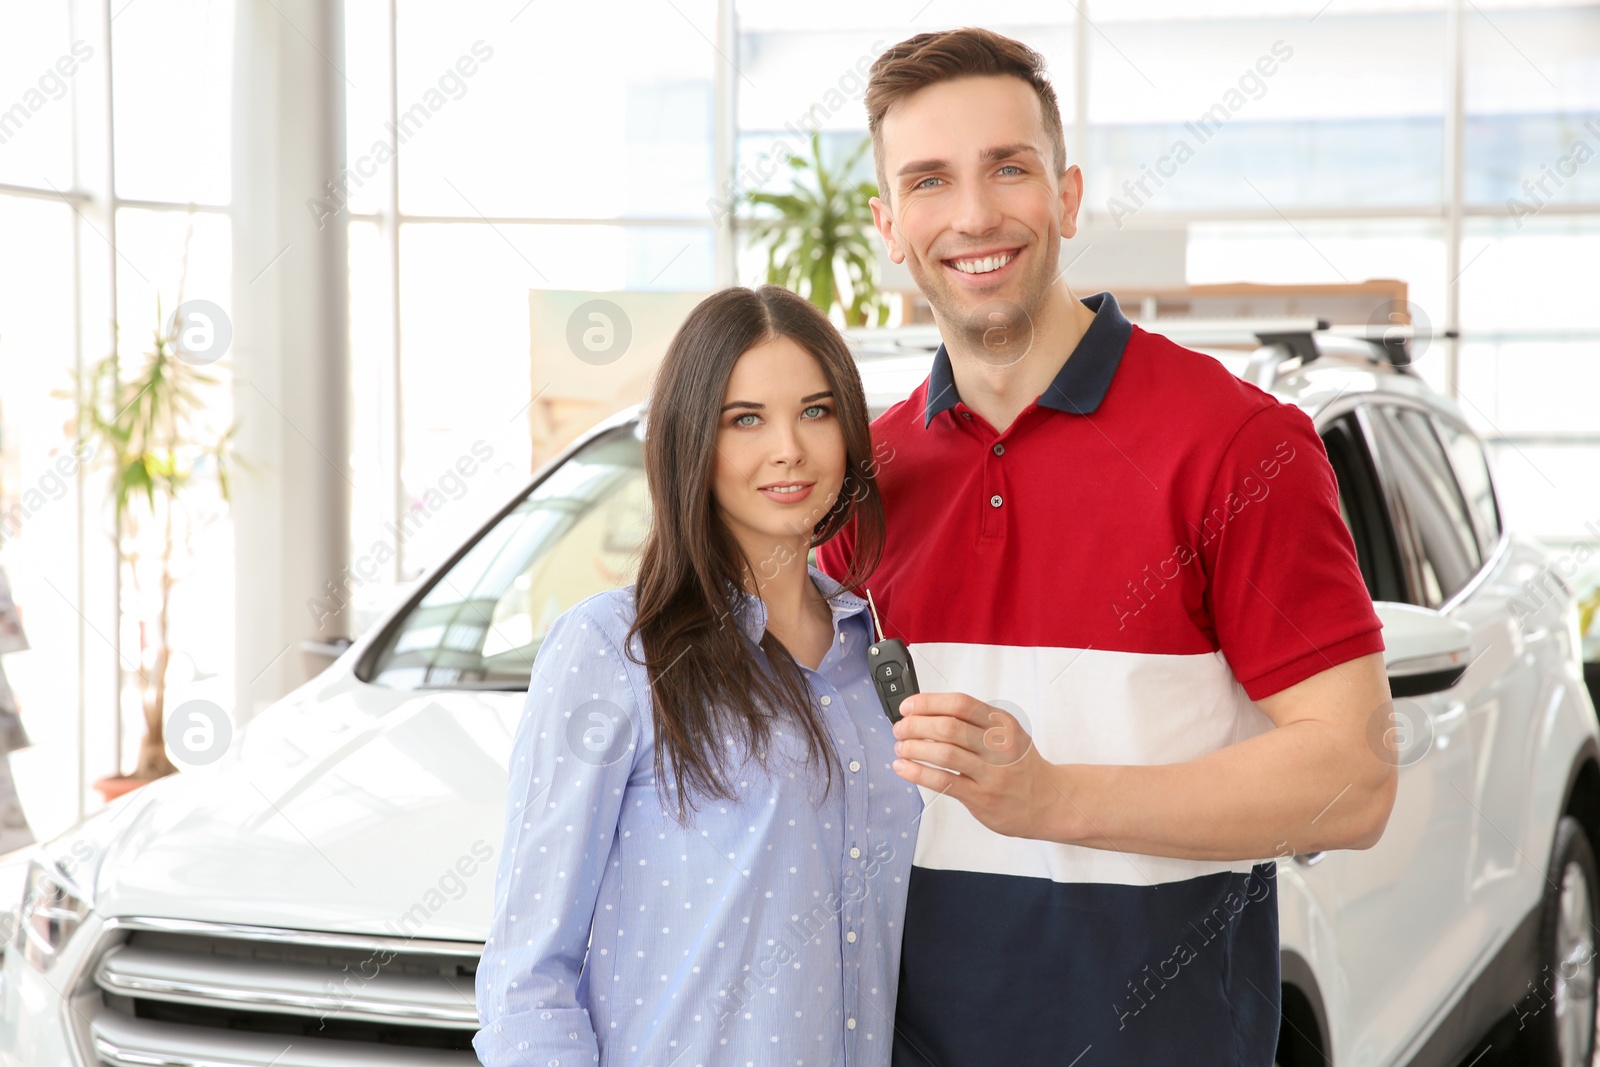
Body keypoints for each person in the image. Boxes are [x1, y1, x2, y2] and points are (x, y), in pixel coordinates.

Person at [815, 27, 1397, 1066]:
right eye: (930, 181)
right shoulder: (860, 482)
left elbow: (1352, 778)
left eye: (1009, 168)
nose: (975, 214)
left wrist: (1053, 799)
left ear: (1069, 196)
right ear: (889, 226)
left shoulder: (1238, 446)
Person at [473, 285, 923, 1067]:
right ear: (691, 440)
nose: (789, 447)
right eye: (744, 418)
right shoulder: (614, 651)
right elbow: (525, 980)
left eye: (816, 411)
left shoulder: (871, 651)